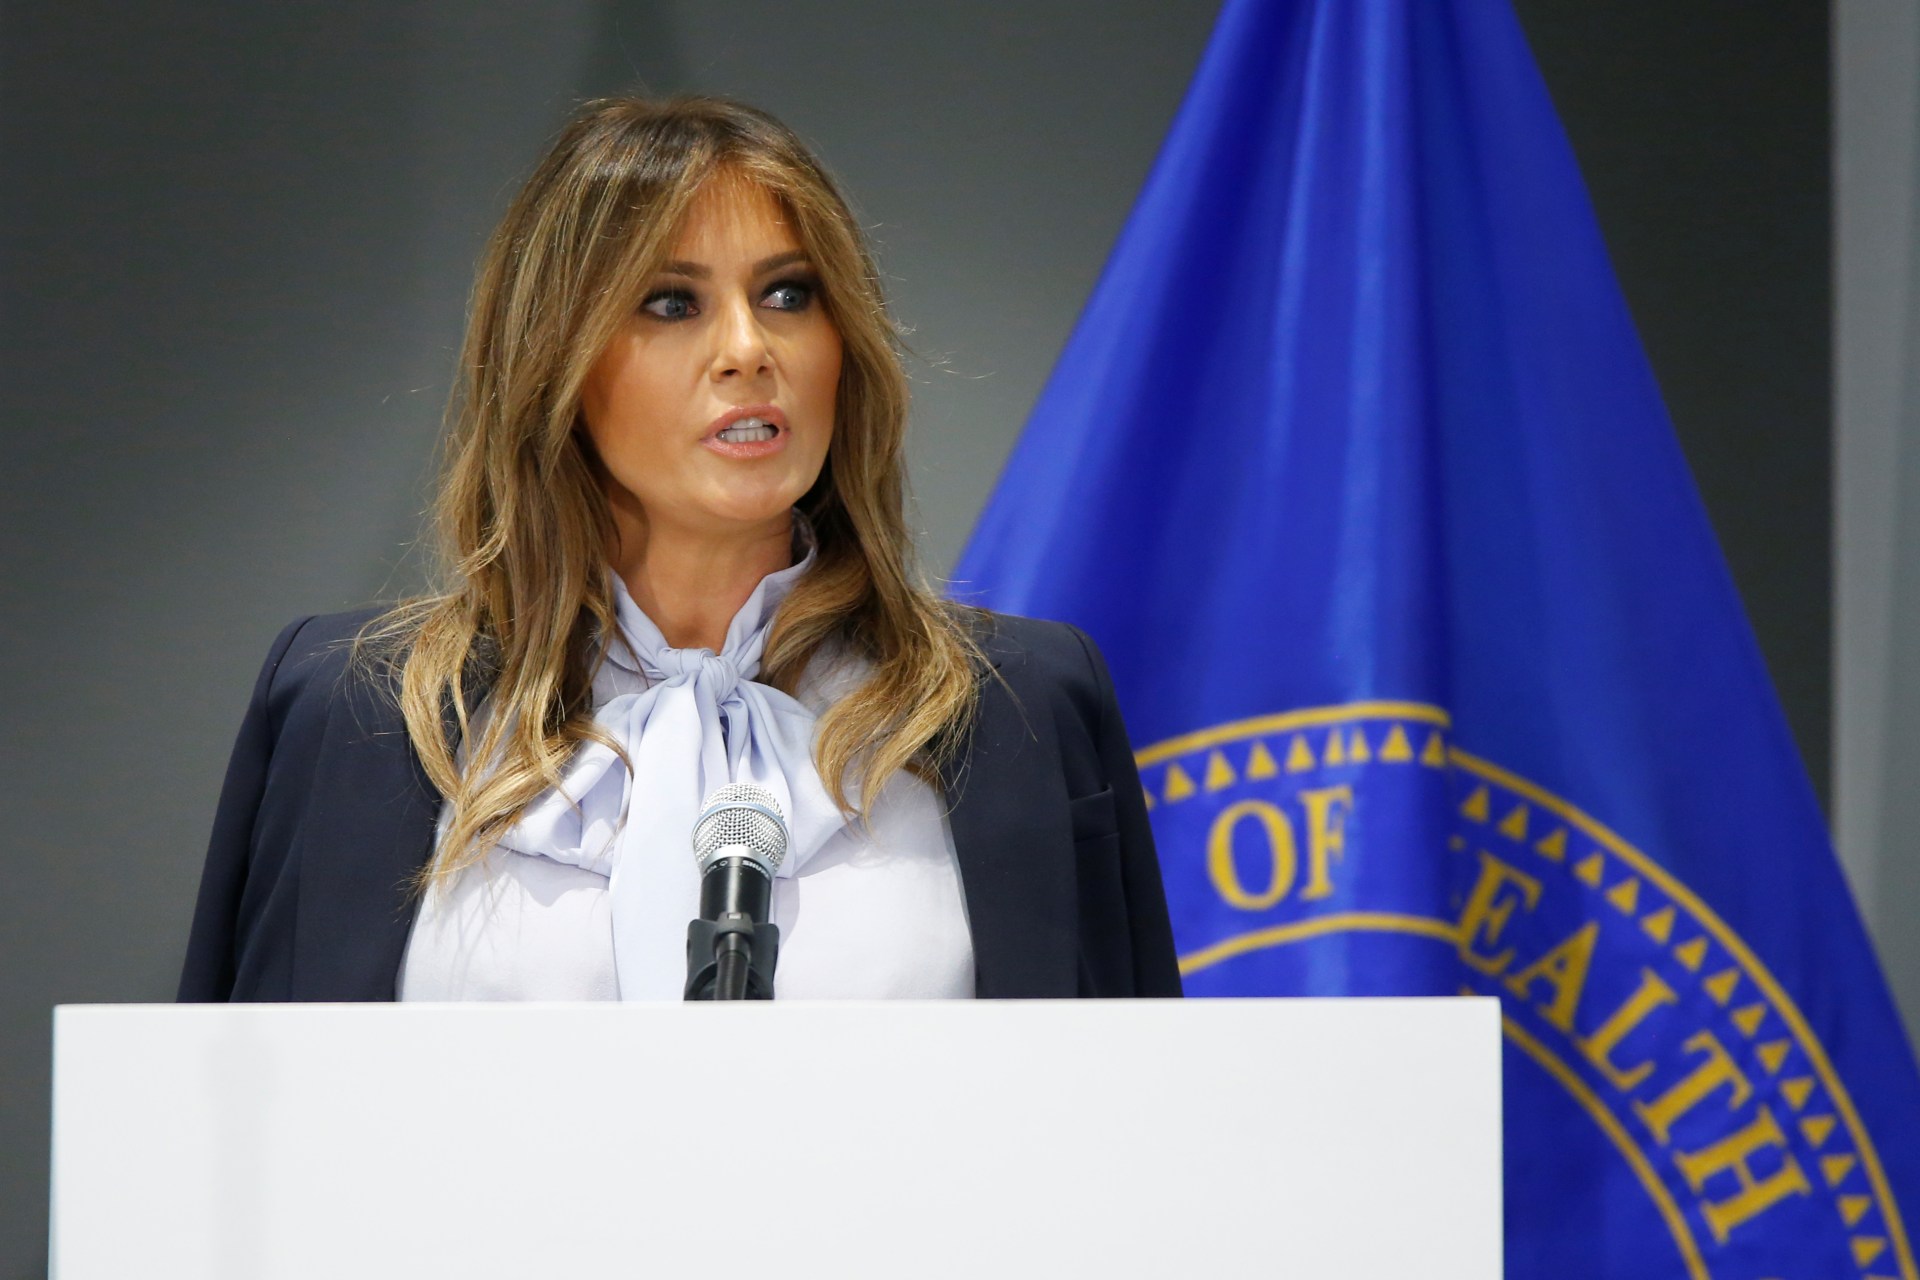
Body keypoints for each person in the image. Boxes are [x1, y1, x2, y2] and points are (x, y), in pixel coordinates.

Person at [177, 95, 1181, 1003]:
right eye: (672, 301)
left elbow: (1127, 1134)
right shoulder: (345, 712)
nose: (750, 347)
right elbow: (230, 1152)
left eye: (789, 294)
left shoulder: (1028, 712)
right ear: (554, 364)